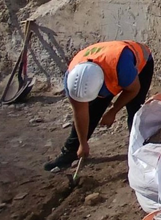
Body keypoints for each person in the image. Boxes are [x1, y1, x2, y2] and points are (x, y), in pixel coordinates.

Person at [43, 40, 154, 171]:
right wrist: (83, 144)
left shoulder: (121, 68)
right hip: (105, 65)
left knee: (135, 110)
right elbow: (80, 113)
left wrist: (113, 111)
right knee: (93, 110)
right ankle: (71, 151)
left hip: (140, 61)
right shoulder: (72, 80)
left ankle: (139, 150)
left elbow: (133, 90)